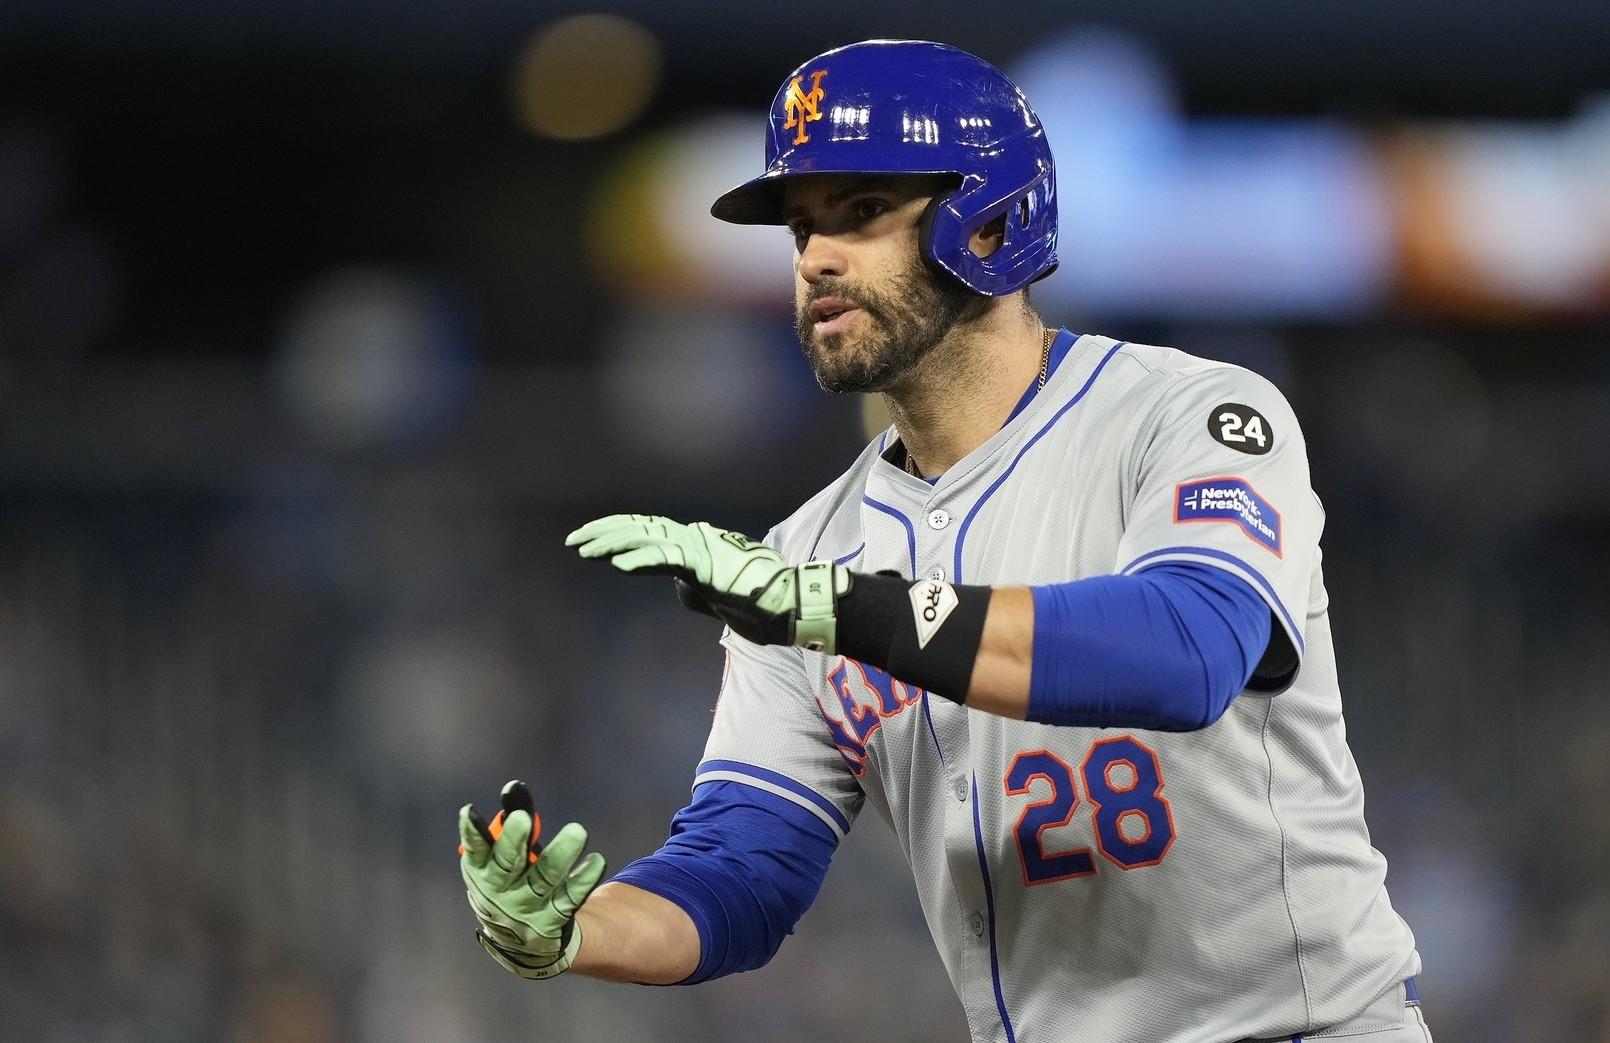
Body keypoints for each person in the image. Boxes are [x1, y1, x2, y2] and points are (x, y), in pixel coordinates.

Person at [458, 39, 1430, 1042]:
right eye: (801, 228)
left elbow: (1186, 650)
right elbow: (740, 872)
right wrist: (575, 930)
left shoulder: (1189, 415)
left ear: (995, 219)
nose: (815, 258)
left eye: (863, 211)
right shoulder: (803, 554)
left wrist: (838, 609)